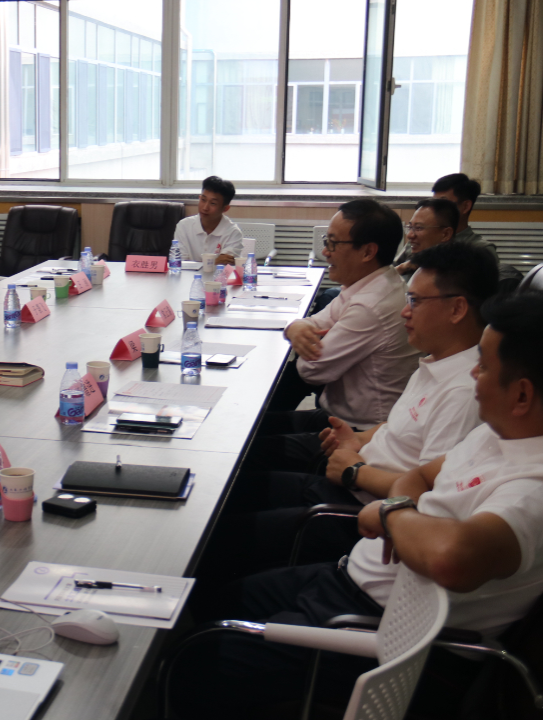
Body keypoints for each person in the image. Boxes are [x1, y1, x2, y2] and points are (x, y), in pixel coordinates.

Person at [170, 291, 543, 718]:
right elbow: (419, 477)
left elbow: (450, 558)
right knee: (214, 597)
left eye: (485, 366)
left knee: (191, 662)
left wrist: (391, 513)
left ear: (521, 395)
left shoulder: (532, 489)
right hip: (352, 577)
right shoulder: (497, 434)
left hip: (388, 634)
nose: (473, 371)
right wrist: (405, 512)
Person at [200, 242, 497, 591]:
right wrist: (358, 439)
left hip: (357, 513)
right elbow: (402, 427)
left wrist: (355, 471)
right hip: (350, 475)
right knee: (231, 489)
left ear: (457, 308)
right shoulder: (438, 360)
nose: (405, 312)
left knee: (219, 536)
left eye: (415, 301)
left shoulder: (464, 392)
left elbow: (428, 494)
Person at [258, 199, 419, 472]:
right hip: (336, 418)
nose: (325, 251)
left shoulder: (372, 305)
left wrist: (302, 332)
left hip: (361, 434)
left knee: (249, 451)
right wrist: (295, 327)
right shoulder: (371, 283)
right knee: (250, 423)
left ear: (368, 251)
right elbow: (313, 322)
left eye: (333, 243)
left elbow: (310, 370)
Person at [173, 176, 244, 266]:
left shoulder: (233, 232)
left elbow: (225, 266)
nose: (205, 207)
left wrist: (204, 265)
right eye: (203, 200)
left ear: (225, 208)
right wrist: (214, 262)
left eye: (213, 203)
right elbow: (179, 264)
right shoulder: (184, 226)